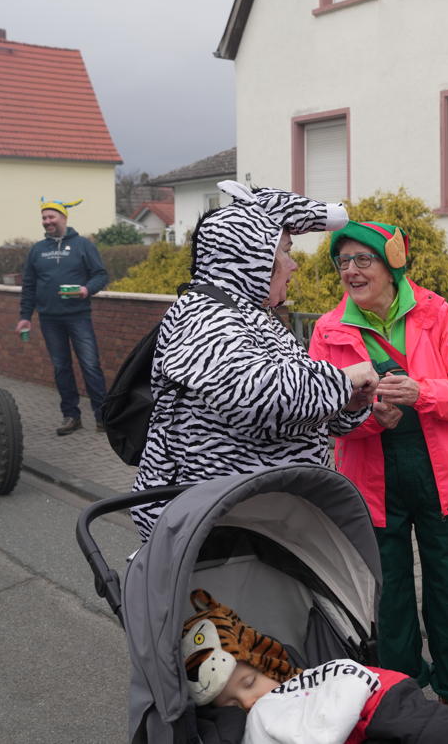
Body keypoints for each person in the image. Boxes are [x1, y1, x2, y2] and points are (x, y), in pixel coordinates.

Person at [308, 221, 448, 717]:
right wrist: (369, 419)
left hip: (445, 481)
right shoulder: (329, 329)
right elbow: (319, 413)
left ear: (391, 264)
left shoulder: (434, 311)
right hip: (371, 488)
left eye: (362, 259)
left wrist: (422, 393)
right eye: (343, 261)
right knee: (388, 606)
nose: (351, 270)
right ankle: (402, 700)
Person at [129, 183, 378, 541]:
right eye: (286, 252)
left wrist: (347, 405)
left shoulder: (252, 316)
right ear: (250, 256)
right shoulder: (203, 317)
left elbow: (296, 404)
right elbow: (259, 398)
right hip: (218, 528)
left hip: (262, 521)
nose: (293, 265)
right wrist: (342, 381)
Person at [180, 589, 448, 744]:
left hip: (380, 713)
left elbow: (420, 721)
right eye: (232, 704)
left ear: (272, 665)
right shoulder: (245, 726)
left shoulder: (323, 681)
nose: (248, 703)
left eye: (249, 683)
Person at [16, 198, 109, 435]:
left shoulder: (82, 245)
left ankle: (103, 418)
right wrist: (25, 316)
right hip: (49, 319)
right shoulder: (37, 250)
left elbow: (100, 275)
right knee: (61, 368)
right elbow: (29, 285)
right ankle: (71, 416)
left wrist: (86, 290)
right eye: (44, 218)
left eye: (51, 217)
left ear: (63, 218)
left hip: (78, 316)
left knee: (90, 366)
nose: (47, 222)